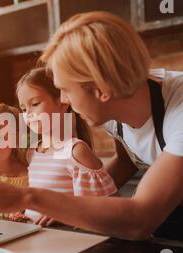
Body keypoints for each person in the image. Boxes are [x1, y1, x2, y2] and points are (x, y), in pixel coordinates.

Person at [0, 11, 183, 251]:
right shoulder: (112, 103)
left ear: (101, 90)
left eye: (65, 91)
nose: (64, 102)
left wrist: (29, 197)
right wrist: (70, 206)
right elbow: (124, 161)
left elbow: (139, 220)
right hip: (157, 208)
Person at [16, 68, 117, 226]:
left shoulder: (76, 152)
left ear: (62, 103)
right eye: (23, 109)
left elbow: (98, 211)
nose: (28, 113)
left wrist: (65, 216)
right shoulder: (32, 152)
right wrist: (24, 212)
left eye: (35, 104)